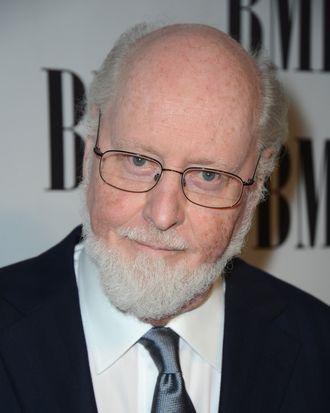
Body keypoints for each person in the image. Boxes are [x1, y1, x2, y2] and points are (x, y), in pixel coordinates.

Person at [0, 23, 329, 413]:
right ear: (91, 147)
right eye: (138, 161)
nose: (162, 214)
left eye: (208, 175)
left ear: (259, 179)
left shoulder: (319, 346)